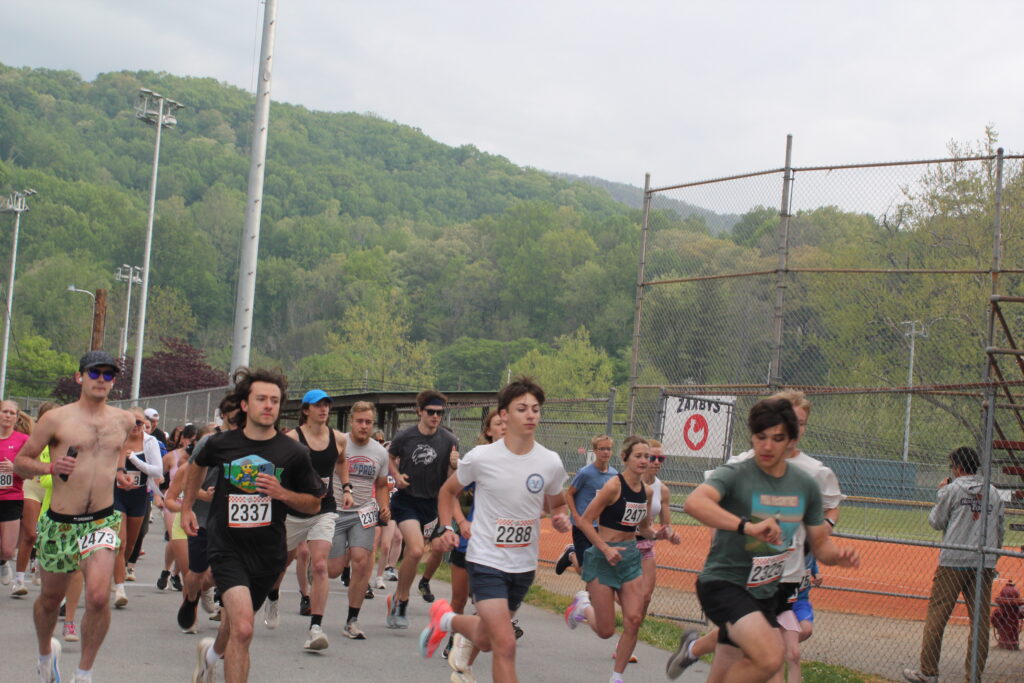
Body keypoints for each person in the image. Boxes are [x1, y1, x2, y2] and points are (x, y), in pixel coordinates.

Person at [666, 398, 859, 683]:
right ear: (752, 436)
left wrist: (836, 557)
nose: (767, 446)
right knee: (770, 657)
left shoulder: (806, 484)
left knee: (733, 666)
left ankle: (692, 651)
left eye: (777, 438)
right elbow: (695, 503)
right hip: (725, 583)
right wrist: (746, 527)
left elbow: (820, 545)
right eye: (761, 437)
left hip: (767, 591)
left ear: (792, 439)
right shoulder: (736, 473)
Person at [422, 377, 572, 683]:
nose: (531, 415)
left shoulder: (550, 462)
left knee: (489, 640)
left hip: (524, 565)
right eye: (522, 408)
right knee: (505, 644)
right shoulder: (482, 457)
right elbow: (447, 492)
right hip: (486, 560)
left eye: (535, 409)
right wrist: (447, 527)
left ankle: (447, 619)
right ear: (503, 415)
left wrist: (559, 517)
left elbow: (557, 503)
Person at [182, 367, 323, 683]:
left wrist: (282, 493)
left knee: (233, 627)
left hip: (268, 553)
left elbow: (315, 502)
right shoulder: (220, 444)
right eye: (261, 398)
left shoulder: (294, 452)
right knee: (244, 628)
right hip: (227, 547)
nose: (269, 405)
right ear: (245, 405)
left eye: (274, 400)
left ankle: (209, 657)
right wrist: (187, 507)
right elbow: (196, 467)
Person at [14, 350, 136, 683]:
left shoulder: (123, 420)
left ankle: (84, 673)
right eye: (94, 373)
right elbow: (21, 463)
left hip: (102, 520)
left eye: (108, 374)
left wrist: (122, 471)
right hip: (60, 522)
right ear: (79, 377)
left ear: (114, 381)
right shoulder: (56, 420)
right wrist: (51, 467)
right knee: (50, 600)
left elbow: (121, 450)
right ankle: (44, 655)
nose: (101, 379)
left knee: (98, 596)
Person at [565, 436, 679, 683]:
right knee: (606, 631)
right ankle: (583, 606)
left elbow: (645, 529)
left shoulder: (647, 492)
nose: (643, 461)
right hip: (604, 557)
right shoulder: (613, 487)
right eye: (637, 456)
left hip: (629, 559)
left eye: (647, 456)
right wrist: (605, 548)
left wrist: (662, 534)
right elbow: (584, 521)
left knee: (634, 619)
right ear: (625, 458)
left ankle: (617, 677)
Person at [903, 446, 1005, 683]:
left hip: (953, 561)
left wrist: (941, 494)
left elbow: (936, 522)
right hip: (983, 562)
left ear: (958, 468)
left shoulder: (951, 490)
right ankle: (974, 676)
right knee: (979, 621)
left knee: (937, 616)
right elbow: (999, 530)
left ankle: (928, 672)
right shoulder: (993, 492)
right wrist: (993, 557)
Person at [267, 388, 349, 651]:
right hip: (293, 510)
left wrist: (346, 487)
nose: (323, 409)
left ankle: (316, 627)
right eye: (317, 405)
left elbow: (342, 462)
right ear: (306, 410)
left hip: (324, 509)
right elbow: (276, 469)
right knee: (282, 561)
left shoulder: (338, 438)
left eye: (327, 405)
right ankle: (273, 594)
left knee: (320, 565)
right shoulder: (292, 439)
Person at [385, 389, 459, 629]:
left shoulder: (449, 441)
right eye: (431, 412)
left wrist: (453, 466)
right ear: (420, 411)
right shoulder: (405, 436)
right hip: (406, 501)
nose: (435, 417)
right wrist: (396, 475)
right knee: (416, 551)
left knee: (431, 550)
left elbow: (450, 480)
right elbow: (389, 456)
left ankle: (412, 587)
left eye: (439, 413)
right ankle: (401, 601)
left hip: (432, 504)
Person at [327, 400, 390, 640]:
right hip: (336, 509)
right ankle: (324, 562)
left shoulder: (380, 452)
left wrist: (384, 506)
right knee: (333, 571)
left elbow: (382, 485)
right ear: (351, 422)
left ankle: (352, 619)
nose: (364, 426)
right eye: (360, 421)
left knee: (362, 562)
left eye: (369, 422)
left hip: (363, 511)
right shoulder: (339, 443)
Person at [616, 438, 676, 664]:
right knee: (630, 600)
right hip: (625, 545)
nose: (657, 462)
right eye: (653, 457)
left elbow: (665, 525)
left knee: (645, 598)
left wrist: (670, 534)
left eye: (661, 458)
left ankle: (625, 642)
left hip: (647, 546)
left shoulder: (662, 490)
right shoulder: (626, 483)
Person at [111, 407, 164, 607]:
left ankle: (118, 570)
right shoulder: (117, 440)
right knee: (120, 541)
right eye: (131, 422)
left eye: (139, 422)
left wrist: (133, 458)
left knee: (131, 544)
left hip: (139, 495)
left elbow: (157, 470)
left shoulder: (150, 442)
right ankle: (120, 589)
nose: (135, 426)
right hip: (116, 494)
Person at [556, 434, 618, 576]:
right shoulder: (585, 473)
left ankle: (572, 555)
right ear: (595, 451)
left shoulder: (614, 475)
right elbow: (569, 494)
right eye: (602, 449)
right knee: (586, 570)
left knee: (599, 568)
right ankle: (572, 554)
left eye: (608, 449)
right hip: (583, 526)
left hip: (602, 527)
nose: (605, 452)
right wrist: (576, 516)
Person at [0, 399, 31, 591]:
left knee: (8, 549)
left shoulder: (22, 440)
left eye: (12, 413)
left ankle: (3, 562)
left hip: (12, 497)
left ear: (17, 417)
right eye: (5, 412)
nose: (8, 415)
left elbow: (31, 472)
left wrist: (15, 468)